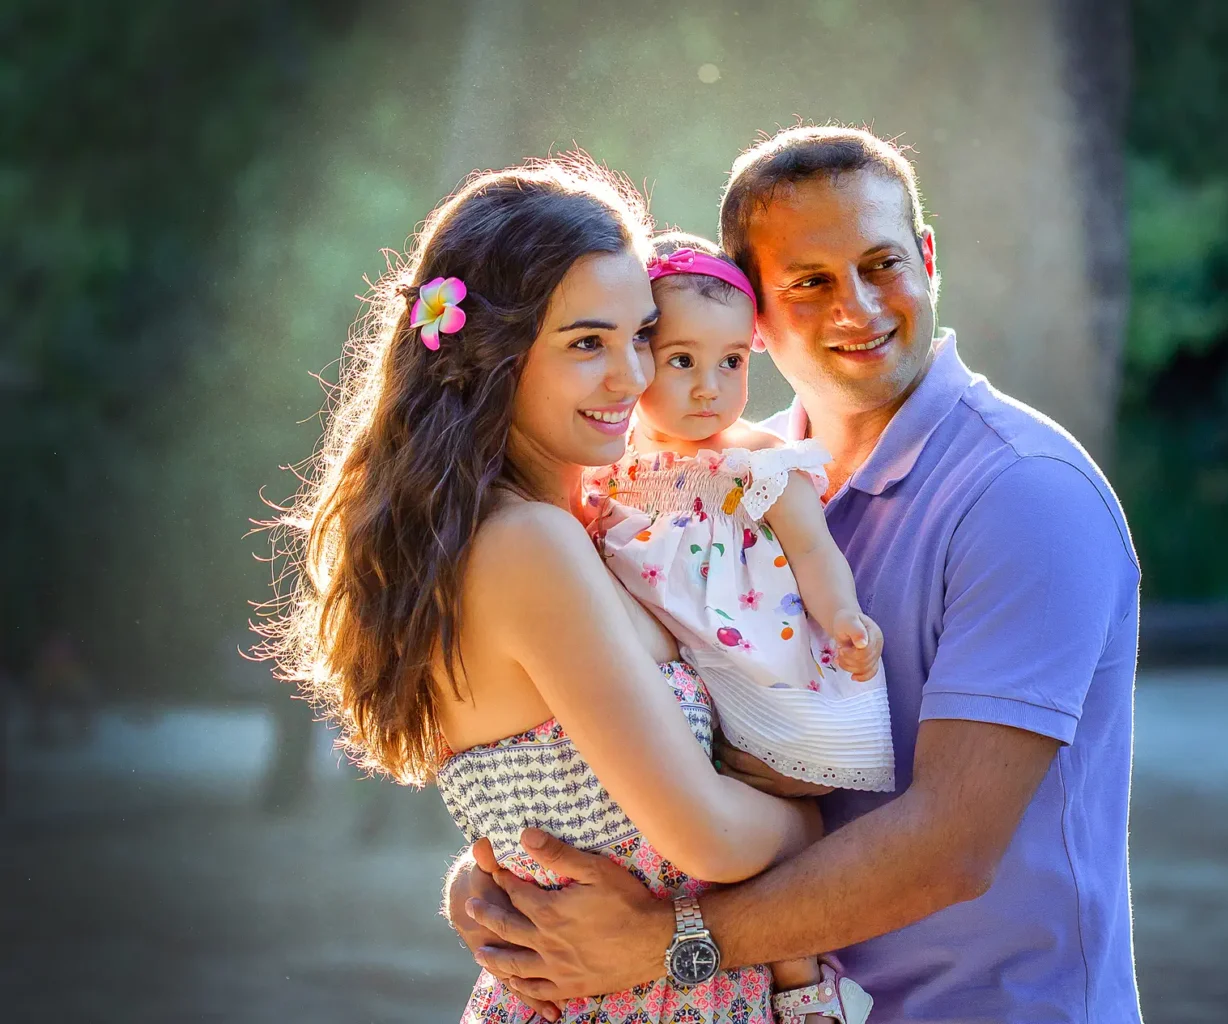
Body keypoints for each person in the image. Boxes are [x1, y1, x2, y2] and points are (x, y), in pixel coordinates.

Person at [450, 127, 1143, 1023]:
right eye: (810, 282)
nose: (857, 306)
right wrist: (507, 878)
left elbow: (953, 847)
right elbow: (626, 737)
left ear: (928, 261)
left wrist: (667, 942)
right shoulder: (715, 490)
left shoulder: (1023, 494)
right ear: (756, 313)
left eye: (883, 264)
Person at [262, 156, 872, 1023]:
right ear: (493, 355)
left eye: (640, 336)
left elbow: (571, 802)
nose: (632, 376)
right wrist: (815, 824)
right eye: (588, 342)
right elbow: (704, 835)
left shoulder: (573, 523)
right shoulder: (527, 544)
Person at [586, 230, 897, 794]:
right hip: (644, 675)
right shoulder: (608, 465)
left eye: (731, 361)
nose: (709, 388)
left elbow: (812, 549)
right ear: (636, 354)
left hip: (740, 660)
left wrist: (843, 616)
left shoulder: (757, 464)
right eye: (682, 361)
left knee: (758, 771)